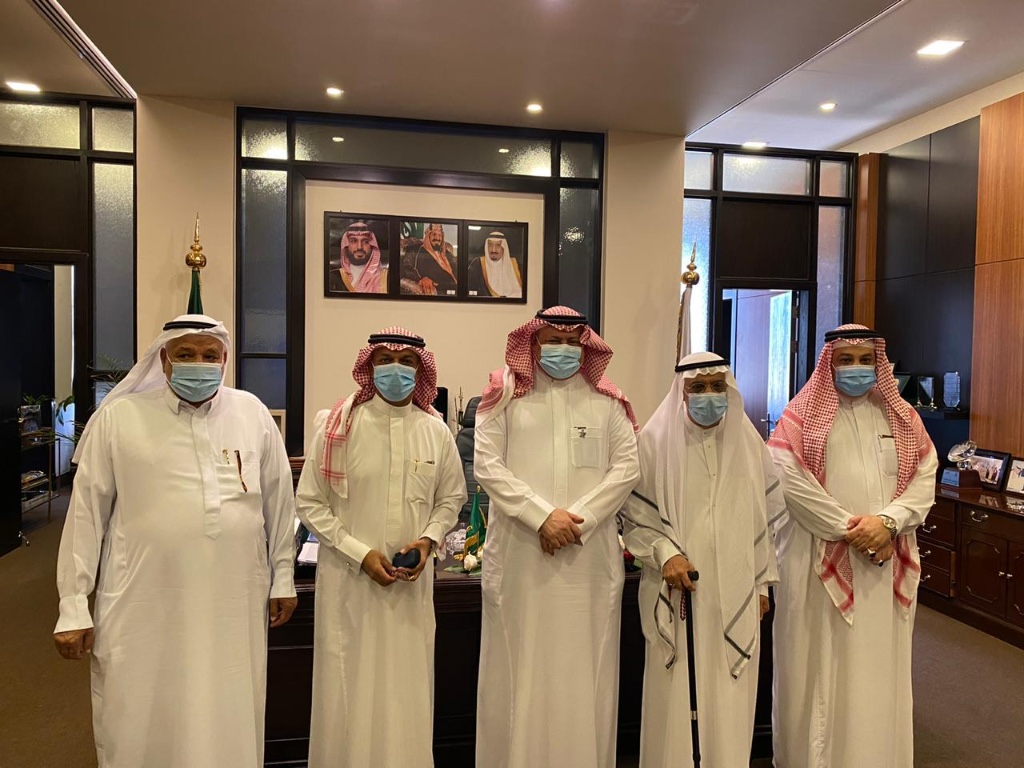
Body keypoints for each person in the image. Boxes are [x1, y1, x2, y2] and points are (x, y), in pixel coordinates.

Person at [53, 314, 298, 768]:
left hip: (233, 600)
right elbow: (86, 515)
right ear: (164, 360)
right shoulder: (120, 418)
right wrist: (73, 603)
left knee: (228, 706)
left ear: (224, 360)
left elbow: (279, 503)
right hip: (143, 601)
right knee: (140, 710)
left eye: (209, 355)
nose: (198, 364)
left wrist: (283, 576)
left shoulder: (252, 414)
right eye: (185, 354)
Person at [473, 306, 640, 768]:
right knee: (518, 670)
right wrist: (541, 517)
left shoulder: (607, 401)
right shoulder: (505, 396)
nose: (563, 349)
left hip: (588, 564)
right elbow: (487, 465)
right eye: (553, 340)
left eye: (572, 342)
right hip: (521, 560)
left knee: (585, 672)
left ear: (585, 347)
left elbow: (627, 468)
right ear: (533, 343)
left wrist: (574, 522)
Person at [768, 324, 938, 768]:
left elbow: (924, 476)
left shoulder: (902, 418)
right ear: (830, 363)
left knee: (879, 671)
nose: (857, 369)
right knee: (817, 670)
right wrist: (853, 530)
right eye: (846, 360)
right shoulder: (800, 416)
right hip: (817, 562)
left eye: (866, 360)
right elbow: (789, 480)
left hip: (884, 563)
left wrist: (888, 523)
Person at [296, 327, 467, 768]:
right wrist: (360, 553)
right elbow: (310, 502)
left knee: (405, 692)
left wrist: (428, 541)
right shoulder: (338, 427)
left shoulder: (435, 431)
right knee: (347, 690)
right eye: (385, 360)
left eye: (406, 362)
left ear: (420, 371)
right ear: (369, 366)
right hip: (349, 586)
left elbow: (451, 498)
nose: (396, 369)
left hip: (410, 589)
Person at [621, 352, 781, 768]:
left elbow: (765, 522)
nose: (709, 395)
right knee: (675, 699)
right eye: (698, 387)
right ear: (682, 392)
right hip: (678, 591)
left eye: (717, 387)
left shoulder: (749, 444)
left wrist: (762, 585)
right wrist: (666, 554)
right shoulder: (653, 443)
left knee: (731, 697)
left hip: (737, 591)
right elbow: (635, 517)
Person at [330, 220, 388, 293]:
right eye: (353, 241)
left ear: (372, 246)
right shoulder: (333, 277)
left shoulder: (386, 278)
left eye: (365, 242)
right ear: (346, 245)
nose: (359, 247)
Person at [401, 222, 458, 296]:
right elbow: (407, 268)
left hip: (455, 293)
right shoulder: (416, 249)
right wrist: (421, 279)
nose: (437, 238)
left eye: (440, 235)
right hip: (437, 293)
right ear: (428, 236)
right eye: (434, 234)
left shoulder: (447, 253)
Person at [467, 230, 523, 298]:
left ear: (504, 247)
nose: (493, 250)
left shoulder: (515, 266)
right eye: (490, 245)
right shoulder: (477, 264)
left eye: (498, 245)